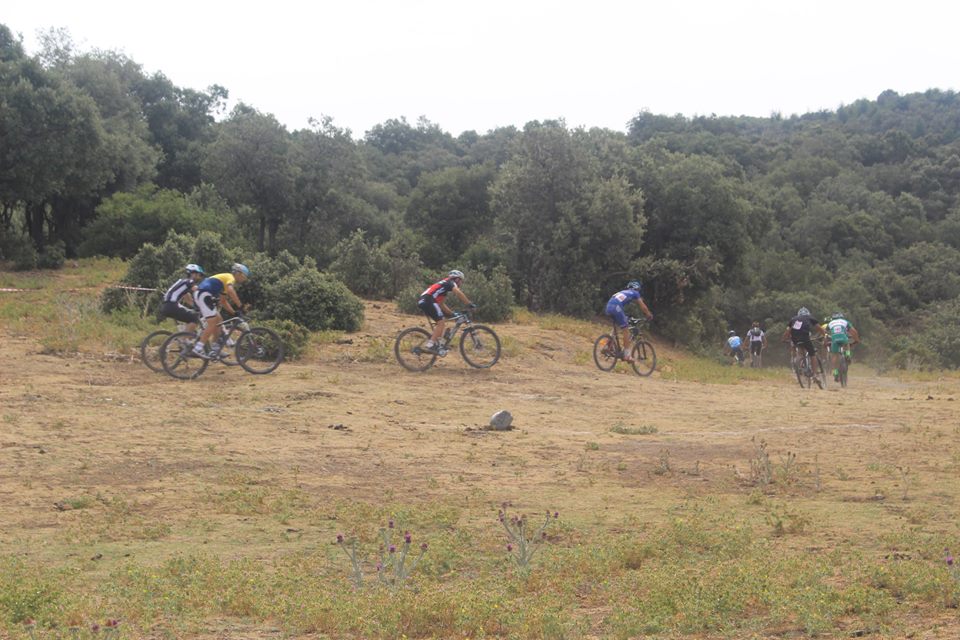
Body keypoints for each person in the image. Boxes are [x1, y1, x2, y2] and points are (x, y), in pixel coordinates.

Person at [192, 263, 250, 359]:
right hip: (204, 294)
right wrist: (240, 306)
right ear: (238, 273)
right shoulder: (230, 277)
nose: (245, 279)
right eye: (245, 276)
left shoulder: (225, 283)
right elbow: (231, 291)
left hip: (203, 294)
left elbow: (223, 301)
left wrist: (234, 313)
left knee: (219, 320)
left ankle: (215, 348)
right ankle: (198, 348)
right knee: (212, 323)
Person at [417, 269, 475, 355]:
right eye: (461, 281)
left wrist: (452, 313)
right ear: (457, 279)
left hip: (424, 300)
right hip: (428, 300)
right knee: (441, 323)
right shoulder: (450, 282)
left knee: (440, 323)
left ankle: (436, 344)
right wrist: (469, 303)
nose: (461, 283)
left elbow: (441, 304)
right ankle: (430, 345)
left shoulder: (443, 287)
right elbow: (458, 292)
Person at [604, 280, 654, 361]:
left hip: (609, 307)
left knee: (618, 326)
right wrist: (649, 314)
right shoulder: (635, 293)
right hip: (616, 307)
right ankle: (627, 355)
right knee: (626, 330)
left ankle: (608, 345)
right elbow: (643, 307)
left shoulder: (623, 292)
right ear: (637, 289)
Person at [158, 264, 204, 332]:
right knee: (195, 318)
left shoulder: (182, 282)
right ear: (193, 274)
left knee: (191, 316)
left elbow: (187, 297)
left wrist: (195, 306)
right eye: (199, 275)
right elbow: (198, 290)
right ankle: (185, 338)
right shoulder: (189, 281)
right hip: (172, 305)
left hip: (166, 306)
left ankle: (182, 336)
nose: (200, 277)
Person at [781, 307, 825, 374]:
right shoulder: (809, 317)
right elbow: (819, 328)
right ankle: (815, 374)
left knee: (800, 353)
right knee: (812, 354)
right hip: (805, 337)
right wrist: (824, 334)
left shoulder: (793, 319)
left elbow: (788, 331)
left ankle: (797, 368)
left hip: (795, 338)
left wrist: (784, 339)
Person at [826, 312, 860, 381]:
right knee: (847, 344)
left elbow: (825, 333)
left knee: (834, 356)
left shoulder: (830, 323)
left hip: (834, 339)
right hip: (843, 338)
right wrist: (856, 340)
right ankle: (847, 355)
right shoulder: (845, 321)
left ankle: (835, 373)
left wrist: (825, 342)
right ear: (841, 317)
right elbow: (854, 331)